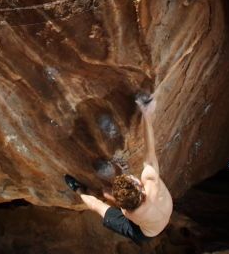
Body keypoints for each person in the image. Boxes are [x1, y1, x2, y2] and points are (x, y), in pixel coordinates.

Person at [64, 92, 173, 243]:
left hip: (145, 233)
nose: (132, 176)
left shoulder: (131, 215)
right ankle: (88, 186)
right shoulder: (151, 181)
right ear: (141, 188)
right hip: (158, 217)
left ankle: (78, 189)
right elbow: (150, 151)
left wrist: (110, 192)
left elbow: (115, 200)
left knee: (98, 207)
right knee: (106, 195)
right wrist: (147, 115)